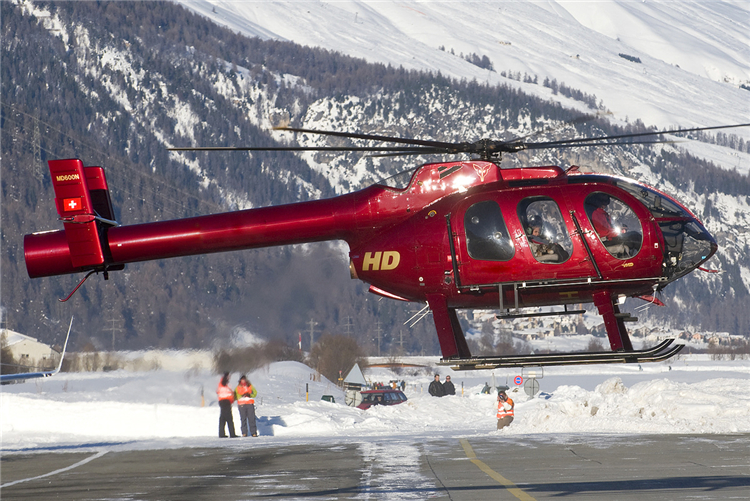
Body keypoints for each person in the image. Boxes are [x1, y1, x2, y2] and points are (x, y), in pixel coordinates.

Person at [217, 372, 238, 438]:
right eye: (229, 376)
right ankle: (232, 433)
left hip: (224, 401)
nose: (229, 377)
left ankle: (222, 433)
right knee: (229, 418)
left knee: (223, 418)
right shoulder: (224, 383)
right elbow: (228, 393)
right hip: (225, 401)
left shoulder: (223, 384)